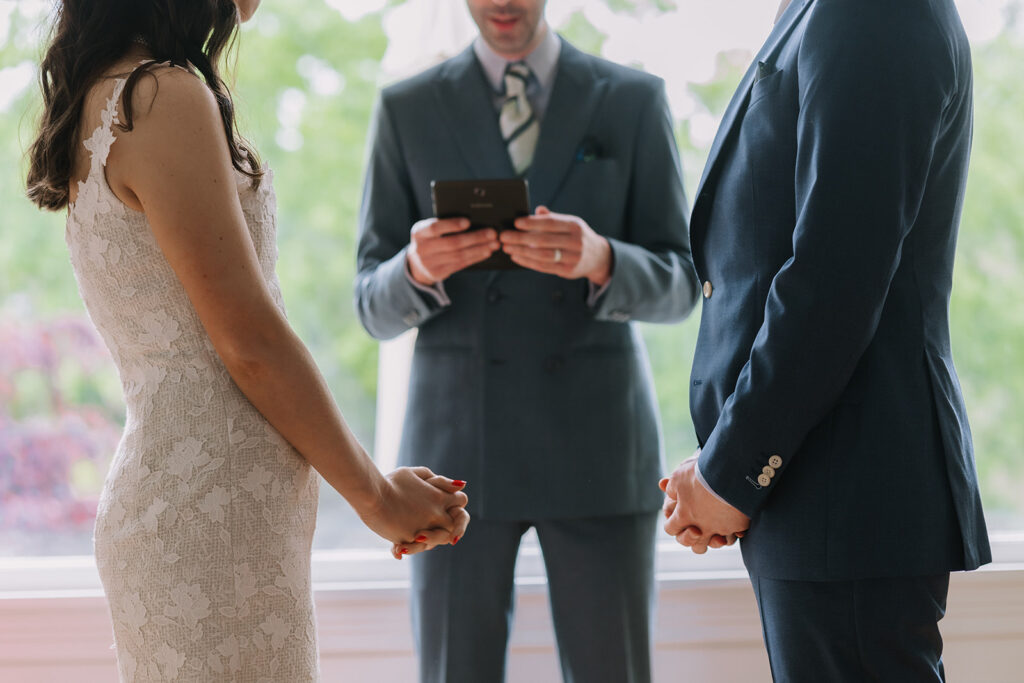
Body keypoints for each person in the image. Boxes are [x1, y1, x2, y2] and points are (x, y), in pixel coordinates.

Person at [25, 0, 469, 679]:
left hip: (203, 510)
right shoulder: (161, 94)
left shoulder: (113, 91)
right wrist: (375, 496)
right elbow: (250, 342)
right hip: (212, 527)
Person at [354, 1, 698, 680]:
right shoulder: (408, 107)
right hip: (454, 458)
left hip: (598, 445)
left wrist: (604, 258)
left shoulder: (632, 100)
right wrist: (417, 268)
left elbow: (685, 281)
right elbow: (371, 304)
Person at [660, 0, 992, 680]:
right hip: (821, 490)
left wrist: (733, 470)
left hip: (849, 489)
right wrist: (727, 463)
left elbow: (835, 275)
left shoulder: (872, 12)